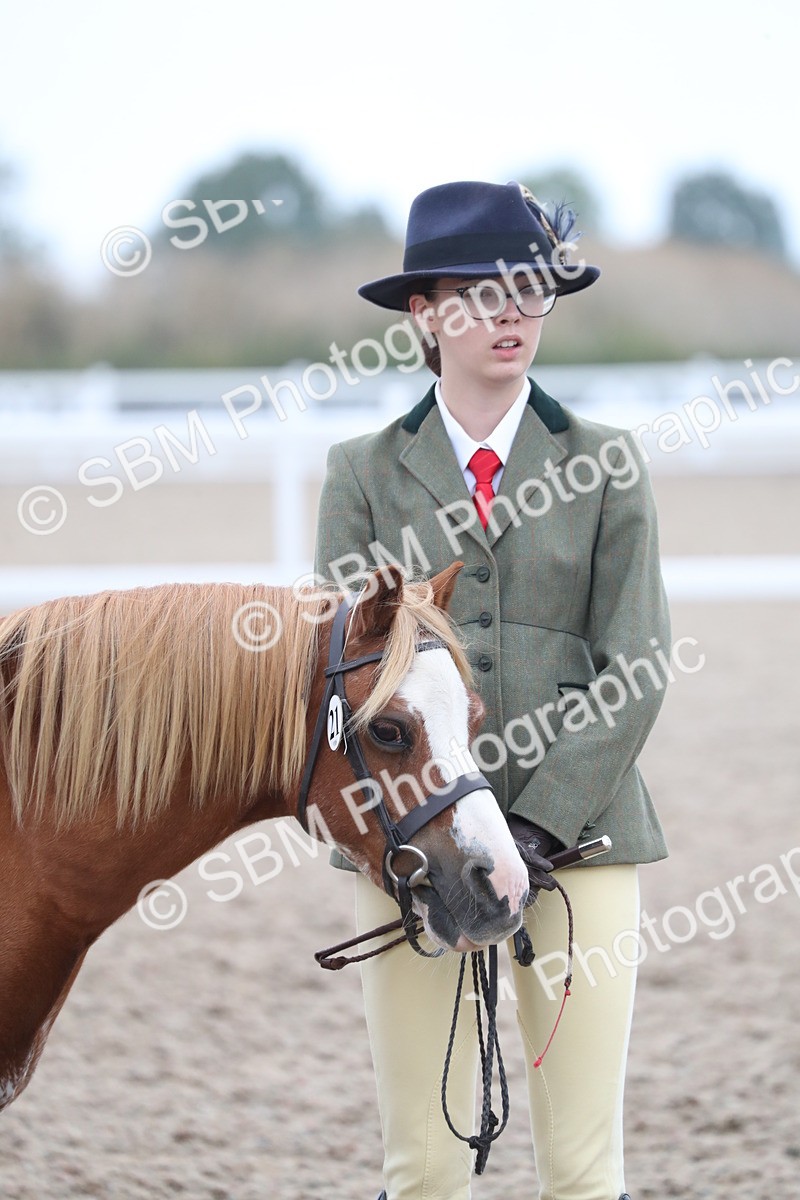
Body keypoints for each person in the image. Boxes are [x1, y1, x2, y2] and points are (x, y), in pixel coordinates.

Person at [313, 179, 670, 1200]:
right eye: (483, 292)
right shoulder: (362, 473)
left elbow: (636, 658)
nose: (514, 312)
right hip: (413, 848)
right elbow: (334, 675)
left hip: (582, 845)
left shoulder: (605, 465)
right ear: (423, 314)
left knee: (579, 1167)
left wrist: (537, 829)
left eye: (532, 290)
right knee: (421, 1166)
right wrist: (413, 835)